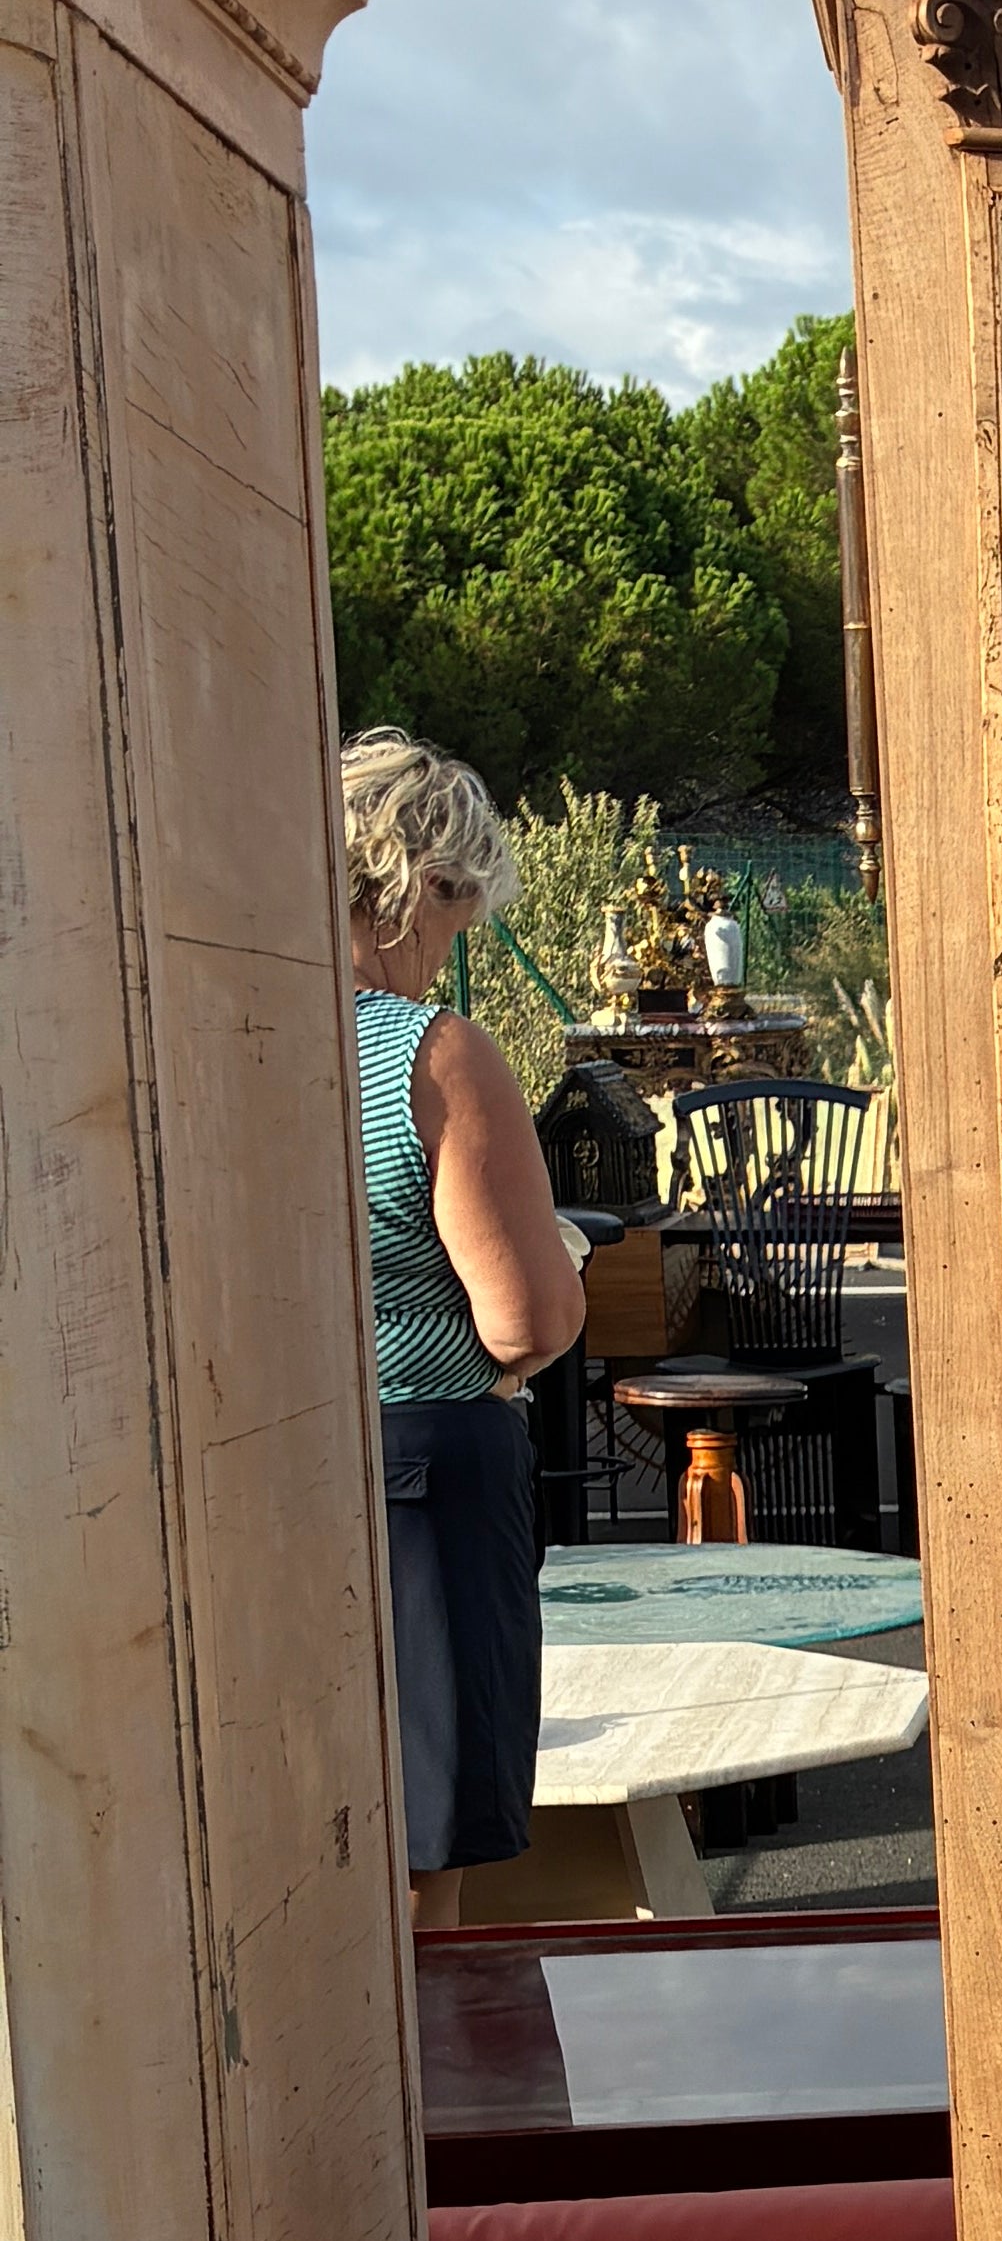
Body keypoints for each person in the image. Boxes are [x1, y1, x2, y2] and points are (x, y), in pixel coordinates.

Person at [344, 730, 580, 1925]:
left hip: (251, 1462)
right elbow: (524, 1320)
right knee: (418, 1868)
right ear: (421, 886)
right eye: (459, 909)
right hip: (424, 1472)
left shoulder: (212, 1037)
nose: (458, 937)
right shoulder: (431, 1053)